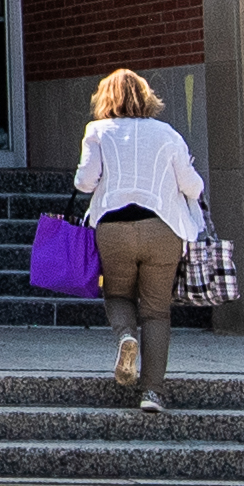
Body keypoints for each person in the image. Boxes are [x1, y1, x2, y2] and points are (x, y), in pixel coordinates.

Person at [74, 66, 205, 413]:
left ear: (106, 98)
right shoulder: (167, 134)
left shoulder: (98, 131)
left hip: (113, 229)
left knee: (117, 294)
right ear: (147, 97)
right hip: (163, 229)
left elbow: (85, 183)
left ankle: (125, 337)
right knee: (157, 312)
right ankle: (153, 393)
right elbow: (192, 186)